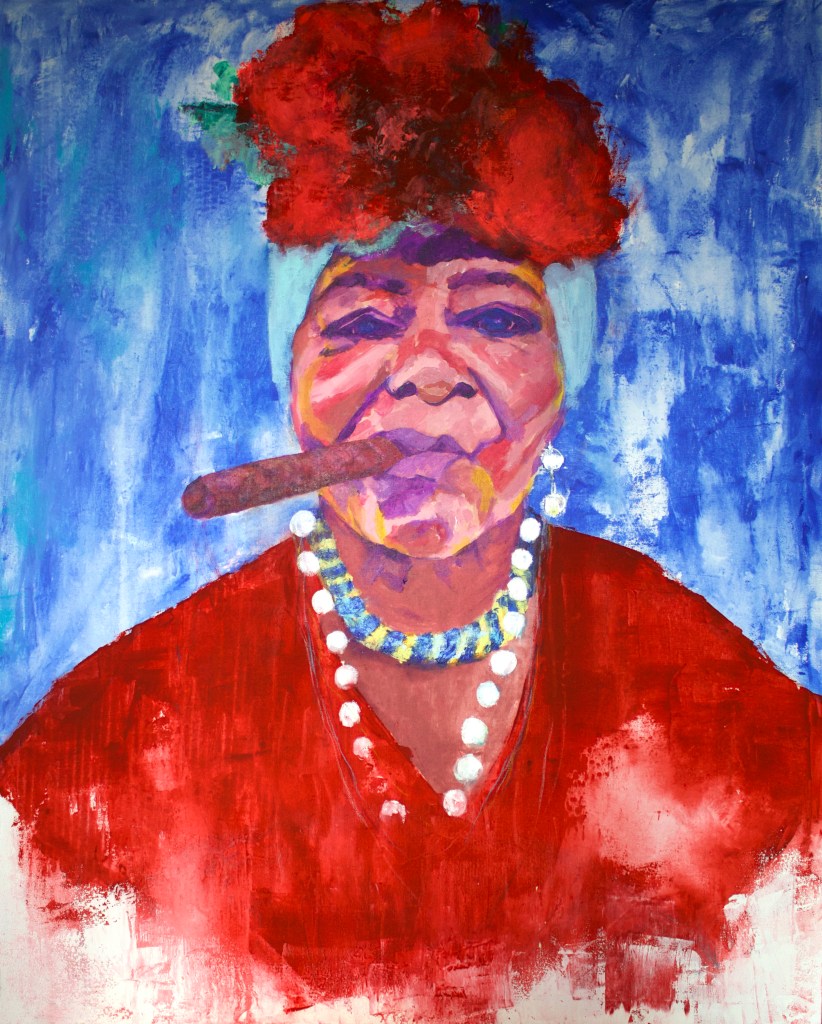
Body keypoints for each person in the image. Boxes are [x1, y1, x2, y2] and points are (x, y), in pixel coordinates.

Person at [0, 3, 819, 1021]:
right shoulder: (119, 743)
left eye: (495, 316)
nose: (428, 372)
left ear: (564, 380)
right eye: (362, 320)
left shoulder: (709, 706)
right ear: (292, 378)